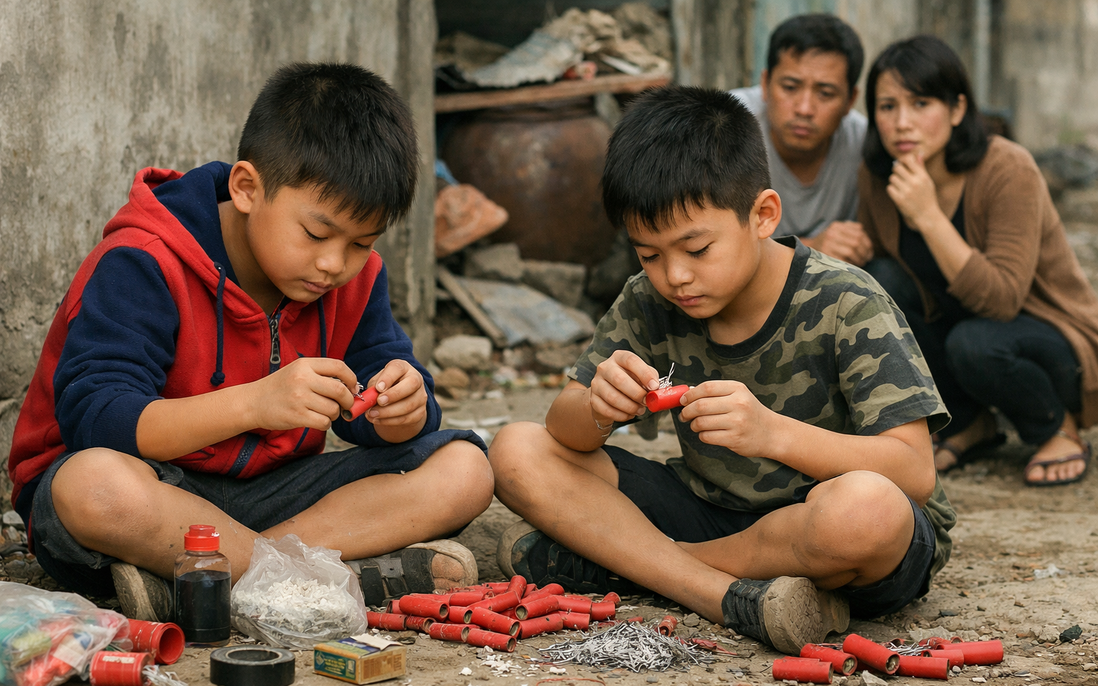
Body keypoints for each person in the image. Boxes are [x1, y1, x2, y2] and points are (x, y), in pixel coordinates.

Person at [6, 63, 495, 619]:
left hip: (270, 497)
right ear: (246, 188)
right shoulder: (145, 261)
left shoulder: (355, 279)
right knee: (91, 487)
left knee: (465, 468)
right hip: (152, 493)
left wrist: (403, 409)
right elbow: (97, 419)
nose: (334, 263)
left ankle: (214, 580)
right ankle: (315, 579)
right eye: (315, 233)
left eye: (362, 242)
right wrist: (255, 403)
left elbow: (374, 397)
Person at [489, 84, 955, 654]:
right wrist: (597, 406)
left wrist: (772, 433)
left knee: (867, 511)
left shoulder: (846, 300)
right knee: (515, 449)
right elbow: (563, 431)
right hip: (712, 512)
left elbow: (914, 471)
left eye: (697, 249)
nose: (675, 276)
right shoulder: (648, 300)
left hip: (830, 533)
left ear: (762, 215)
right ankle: (724, 594)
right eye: (649, 255)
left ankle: (637, 566)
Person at [858, 36, 1098, 486]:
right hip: (961, 340)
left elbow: (1004, 300)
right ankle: (968, 422)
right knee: (879, 283)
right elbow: (887, 277)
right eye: (887, 106)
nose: (902, 123)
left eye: (921, 102)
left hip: (1047, 343)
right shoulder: (878, 175)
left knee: (974, 342)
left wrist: (928, 215)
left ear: (956, 109)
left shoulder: (1008, 169)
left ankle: (1057, 426)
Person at [730, 13, 874, 266]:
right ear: (765, 83)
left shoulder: (865, 143)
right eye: (790, 87)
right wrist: (810, 248)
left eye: (825, 93)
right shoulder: (726, 125)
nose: (804, 108)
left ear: (850, 100)